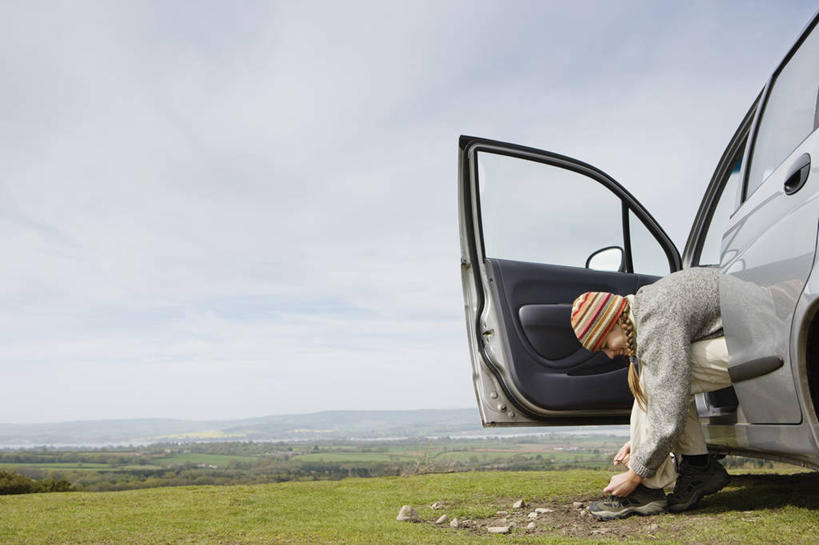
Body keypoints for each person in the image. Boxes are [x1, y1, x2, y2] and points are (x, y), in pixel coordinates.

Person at [569, 267, 732, 520]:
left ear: (614, 322)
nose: (610, 354)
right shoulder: (646, 307)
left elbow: (668, 407)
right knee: (663, 377)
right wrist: (642, 442)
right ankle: (699, 467)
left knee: (662, 379)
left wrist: (636, 473)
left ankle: (646, 490)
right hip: (742, 335)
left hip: (767, 336)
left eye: (604, 345)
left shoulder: (655, 321)